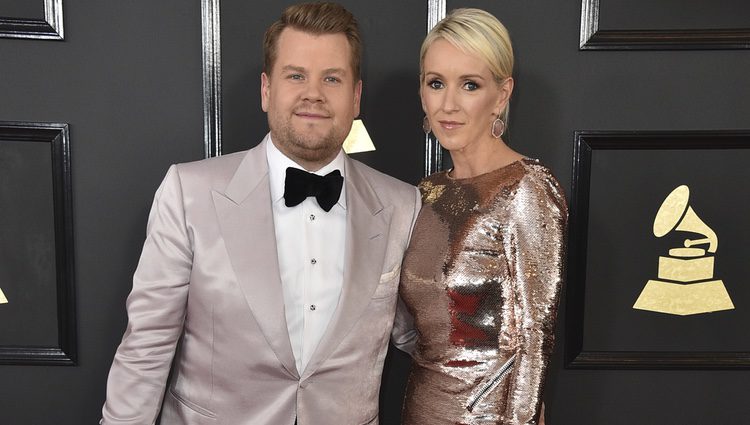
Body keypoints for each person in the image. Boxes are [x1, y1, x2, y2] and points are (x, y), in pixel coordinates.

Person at [100, 3, 420, 424]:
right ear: (266, 90)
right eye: (296, 75)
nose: (314, 93)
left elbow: (425, 339)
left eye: (332, 78)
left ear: (355, 96)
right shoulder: (188, 192)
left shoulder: (403, 205)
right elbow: (146, 348)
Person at [399, 8, 567, 425]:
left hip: (491, 417)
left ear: (502, 94)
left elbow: (533, 338)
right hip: (421, 407)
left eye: (469, 85)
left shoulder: (527, 188)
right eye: (436, 83)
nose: (449, 104)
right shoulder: (426, 192)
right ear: (422, 92)